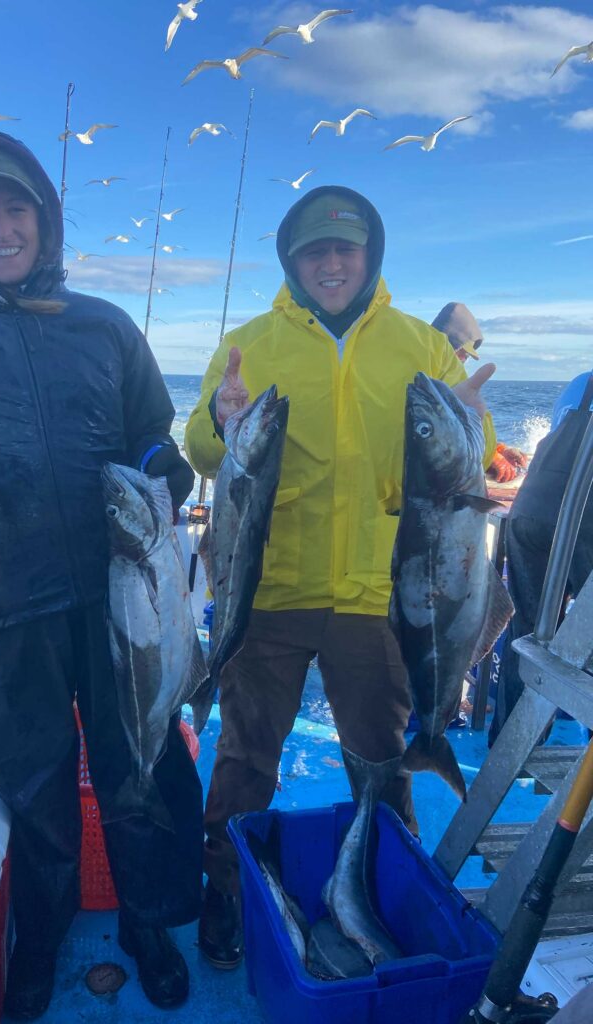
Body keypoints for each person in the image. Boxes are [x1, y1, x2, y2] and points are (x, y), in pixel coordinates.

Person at [0, 129, 202, 1020]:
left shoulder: (105, 327)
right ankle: (45, 932)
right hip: (1, 607)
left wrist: (161, 468)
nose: (1, 225)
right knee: (36, 786)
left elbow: (149, 433)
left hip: (119, 599)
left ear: (44, 219)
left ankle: (146, 920)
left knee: (136, 764)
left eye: (15, 207)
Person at [184, 186, 497, 969]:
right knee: (245, 754)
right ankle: (224, 891)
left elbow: (466, 454)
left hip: (380, 592)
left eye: (344, 249)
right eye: (313, 251)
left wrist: (474, 416)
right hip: (269, 589)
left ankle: (391, 890)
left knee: (380, 755)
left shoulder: (418, 345)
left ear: (371, 256)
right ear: (292, 262)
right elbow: (200, 447)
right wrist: (219, 422)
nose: (330, 263)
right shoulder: (251, 342)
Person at [488, 369, 593, 746]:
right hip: (584, 521)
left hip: (532, 512)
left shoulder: (582, 383)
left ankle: (511, 742)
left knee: (528, 633)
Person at [432, 301, 528, 483]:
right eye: (462, 354)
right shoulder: (436, 381)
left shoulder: (440, 378)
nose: (462, 361)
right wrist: (490, 457)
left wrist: (498, 450)